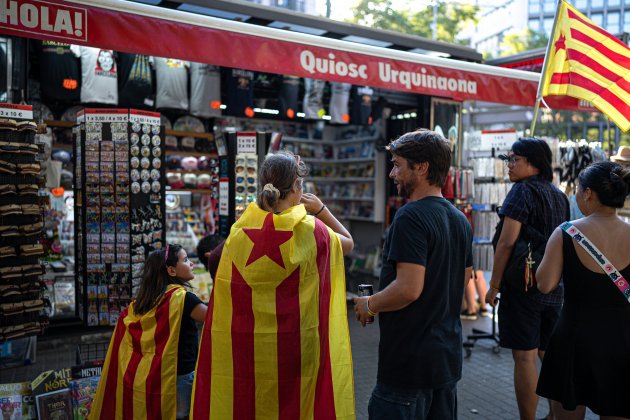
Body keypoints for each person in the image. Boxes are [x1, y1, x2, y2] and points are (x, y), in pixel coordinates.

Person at [191, 151, 355, 419]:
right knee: (297, 406)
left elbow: (218, 264)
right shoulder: (312, 230)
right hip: (298, 347)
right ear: (297, 188)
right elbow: (347, 242)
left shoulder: (240, 231)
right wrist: (321, 209)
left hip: (248, 346)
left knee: (251, 403)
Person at [354, 129, 473, 420]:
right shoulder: (459, 219)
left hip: (409, 364)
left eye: (397, 164)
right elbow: (465, 277)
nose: (393, 173)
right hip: (445, 360)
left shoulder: (410, 217)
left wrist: (370, 304)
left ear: (422, 167)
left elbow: (409, 288)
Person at [536, 161, 630, 419]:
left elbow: (545, 284)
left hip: (574, 341)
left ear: (588, 193)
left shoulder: (566, 232)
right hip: (622, 341)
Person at [484, 137, 570, 420]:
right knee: (549, 354)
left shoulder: (521, 191)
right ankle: (556, 413)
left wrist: (494, 285)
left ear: (533, 163)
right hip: (554, 286)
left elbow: (507, 243)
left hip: (524, 287)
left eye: (514, 160)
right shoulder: (559, 195)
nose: (509, 165)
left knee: (524, 357)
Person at [91, 244, 207, 420]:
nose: (191, 264)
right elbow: (212, 317)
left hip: (156, 376)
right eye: (185, 260)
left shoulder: (143, 302)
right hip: (183, 374)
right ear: (171, 271)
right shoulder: (183, 299)